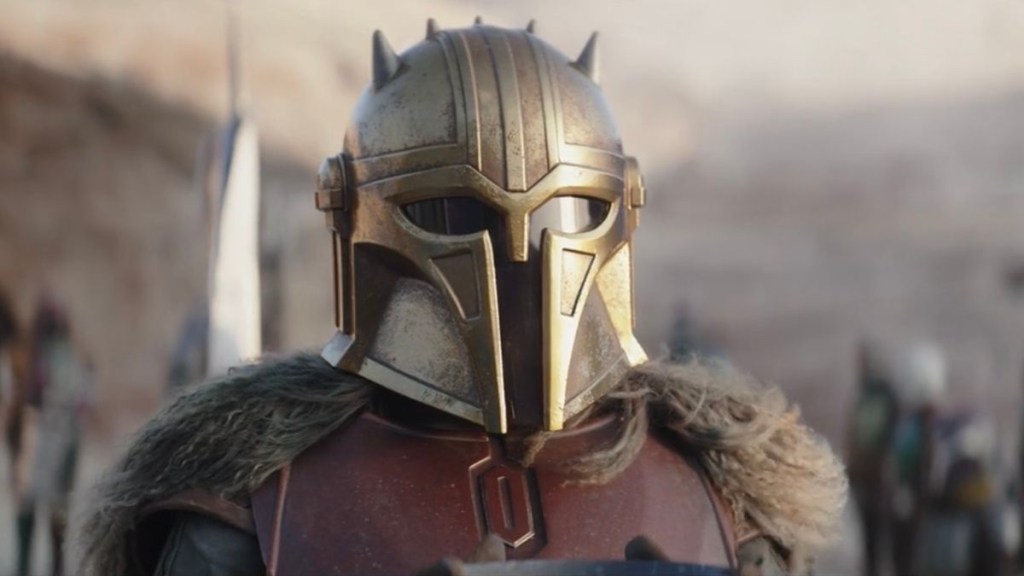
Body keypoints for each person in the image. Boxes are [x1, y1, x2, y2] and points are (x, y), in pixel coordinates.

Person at [80, 21, 846, 576]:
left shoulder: (721, 494)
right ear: (357, 218)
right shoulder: (251, 506)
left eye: (561, 214)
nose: (519, 258)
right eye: (454, 215)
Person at [16, 295, 93, 576]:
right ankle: (45, 568)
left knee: (39, 507)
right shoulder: (71, 358)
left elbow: (33, 408)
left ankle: (34, 568)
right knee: (50, 509)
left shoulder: (46, 360)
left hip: (51, 440)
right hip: (57, 440)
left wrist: (24, 460)